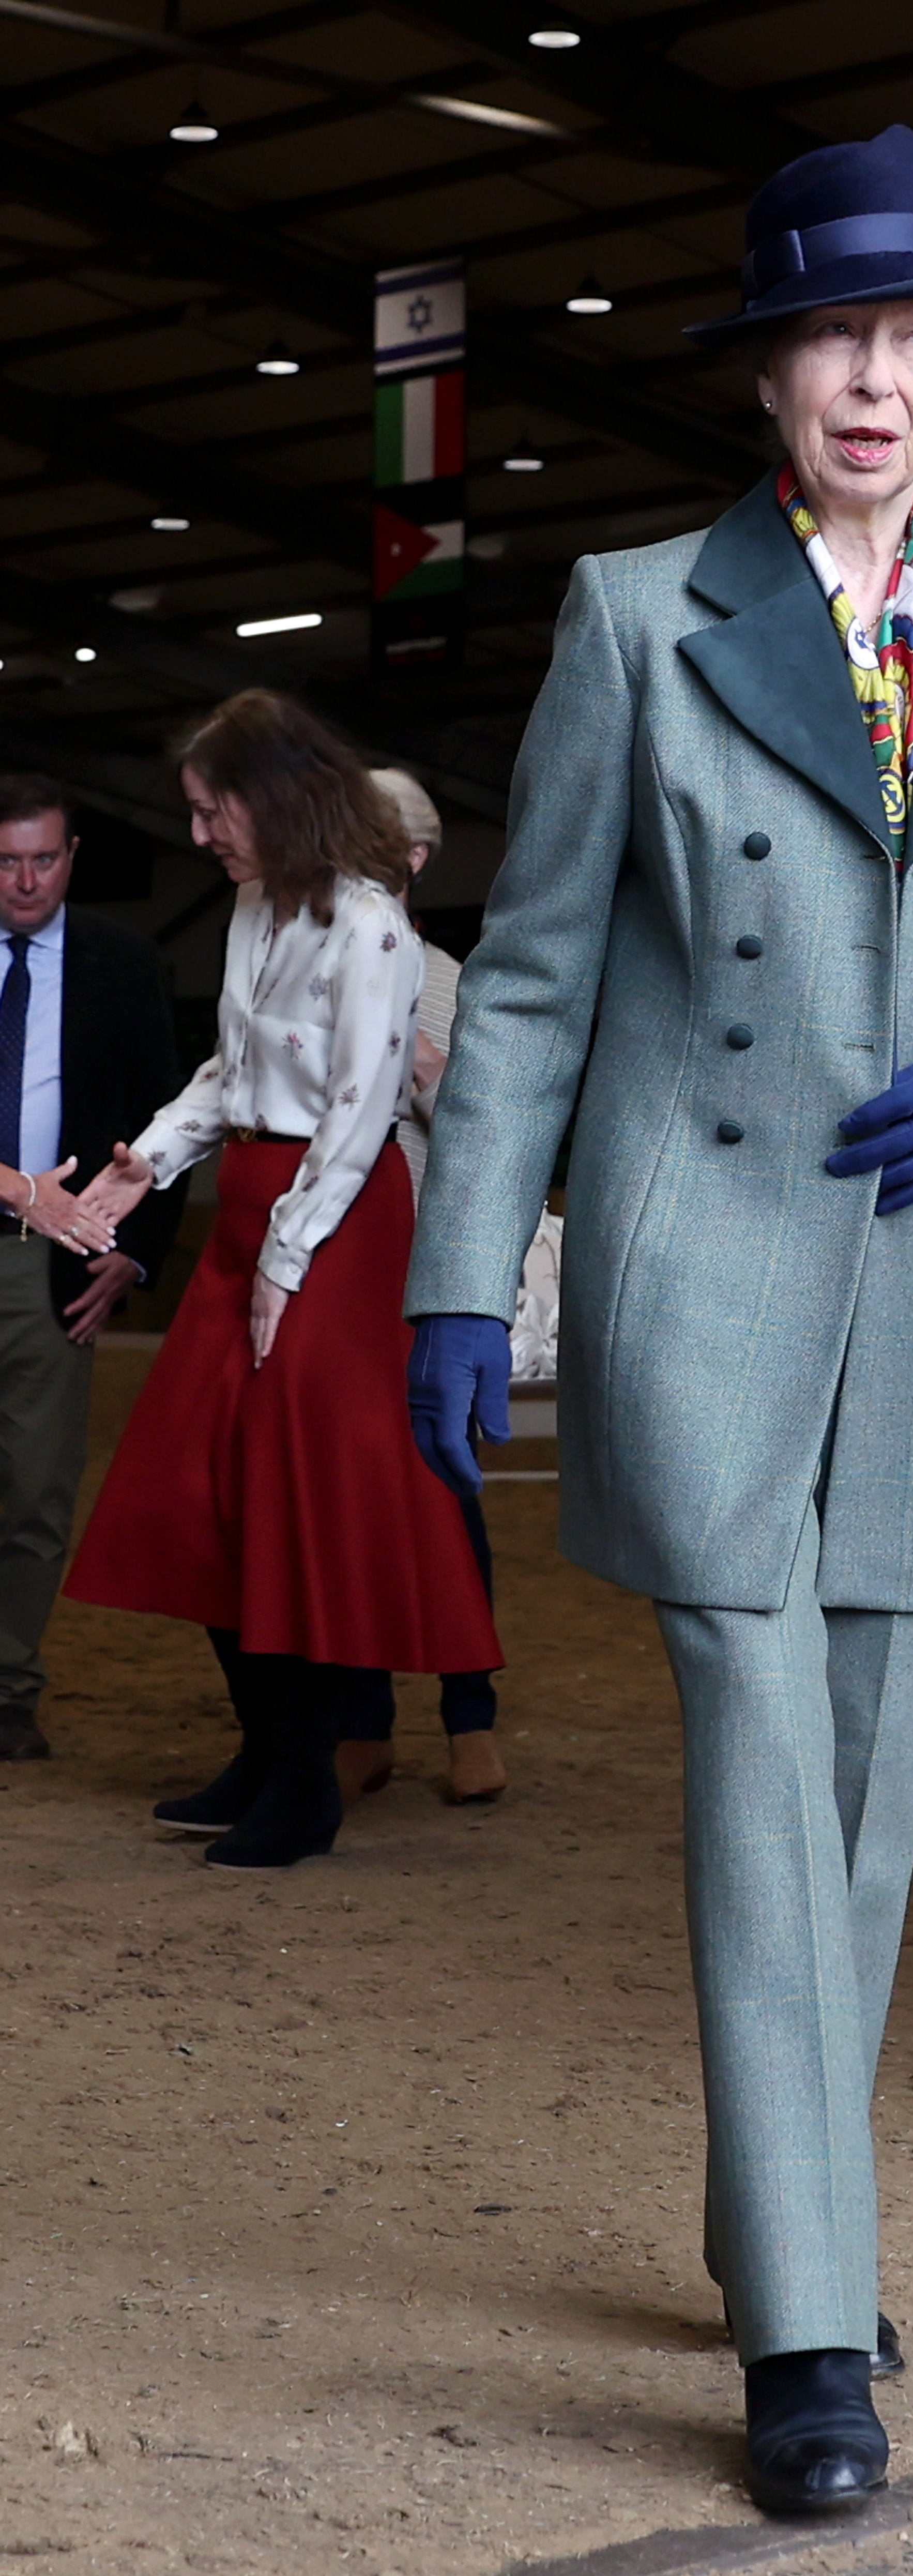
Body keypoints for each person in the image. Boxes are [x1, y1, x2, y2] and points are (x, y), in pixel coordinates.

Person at [403, 123, 913, 2520]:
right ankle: (816, 2347)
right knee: (765, 1784)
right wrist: (466, 1274)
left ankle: (783, 2234)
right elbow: (532, 983)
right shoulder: (640, 618)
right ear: (767, 374)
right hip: (710, 1287)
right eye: (835, 333)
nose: (878, 374)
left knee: (867, 1812)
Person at [63, 693, 501, 1869]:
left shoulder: (374, 927)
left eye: (214, 811)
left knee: (301, 1498)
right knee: (203, 1486)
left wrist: (288, 1260)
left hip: (338, 1227)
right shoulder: (259, 907)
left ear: (278, 795)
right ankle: (267, 1745)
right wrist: (141, 1164)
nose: (201, 837)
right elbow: (228, 1070)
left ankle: (309, 1773)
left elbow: (360, 1113)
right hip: (254, 1208)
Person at [331, 767, 507, 1809]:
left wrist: (414, 1060)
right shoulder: (307, 972)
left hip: (426, 1277)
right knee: (348, 1506)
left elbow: (487, 1132)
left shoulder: (453, 977)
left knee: (448, 1498)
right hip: (337, 1273)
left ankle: (469, 1715)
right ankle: (361, 1720)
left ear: (415, 859)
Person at [0, 775, 185, 1764]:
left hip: (52, 1270)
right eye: (6, 859)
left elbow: (166, 1122)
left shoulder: (123, 962)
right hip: (19, 1213)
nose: (25, 880)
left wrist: (139, 1255)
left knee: (35, 1490)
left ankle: (9, 1689)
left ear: (72, 858)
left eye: (44, 858)